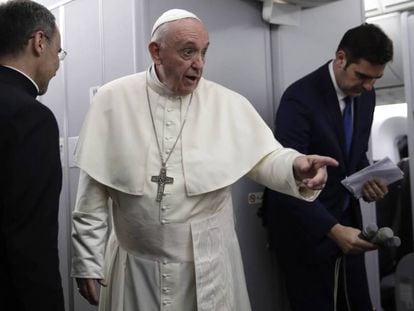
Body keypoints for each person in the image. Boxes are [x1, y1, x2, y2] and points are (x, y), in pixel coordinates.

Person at [71, 9, 338, 311]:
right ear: (156, 52)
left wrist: (296, 166)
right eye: (188, 52)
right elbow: (93, 191)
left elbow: (265, 156)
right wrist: (87, 259)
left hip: (208, 267)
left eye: (203, 52)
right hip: (135, 266)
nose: (199, 64)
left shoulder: (228, 103)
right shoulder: (112, 100)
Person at [261, 23, 393, 311]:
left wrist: (367, 180)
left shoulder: (365, 96)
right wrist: (330, 229)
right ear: (341, 58)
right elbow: (285, 177)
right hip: (306, 228)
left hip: (347, 222)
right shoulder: (300, 98)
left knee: (358, 303)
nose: (369, 86)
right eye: (362, 76)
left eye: (375, 79)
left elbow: (354, 154)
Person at [0, 1, 66, 310]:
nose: (58, 64)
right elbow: (30, 238)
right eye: (58, 51)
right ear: (39, 42)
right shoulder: (30, 118)